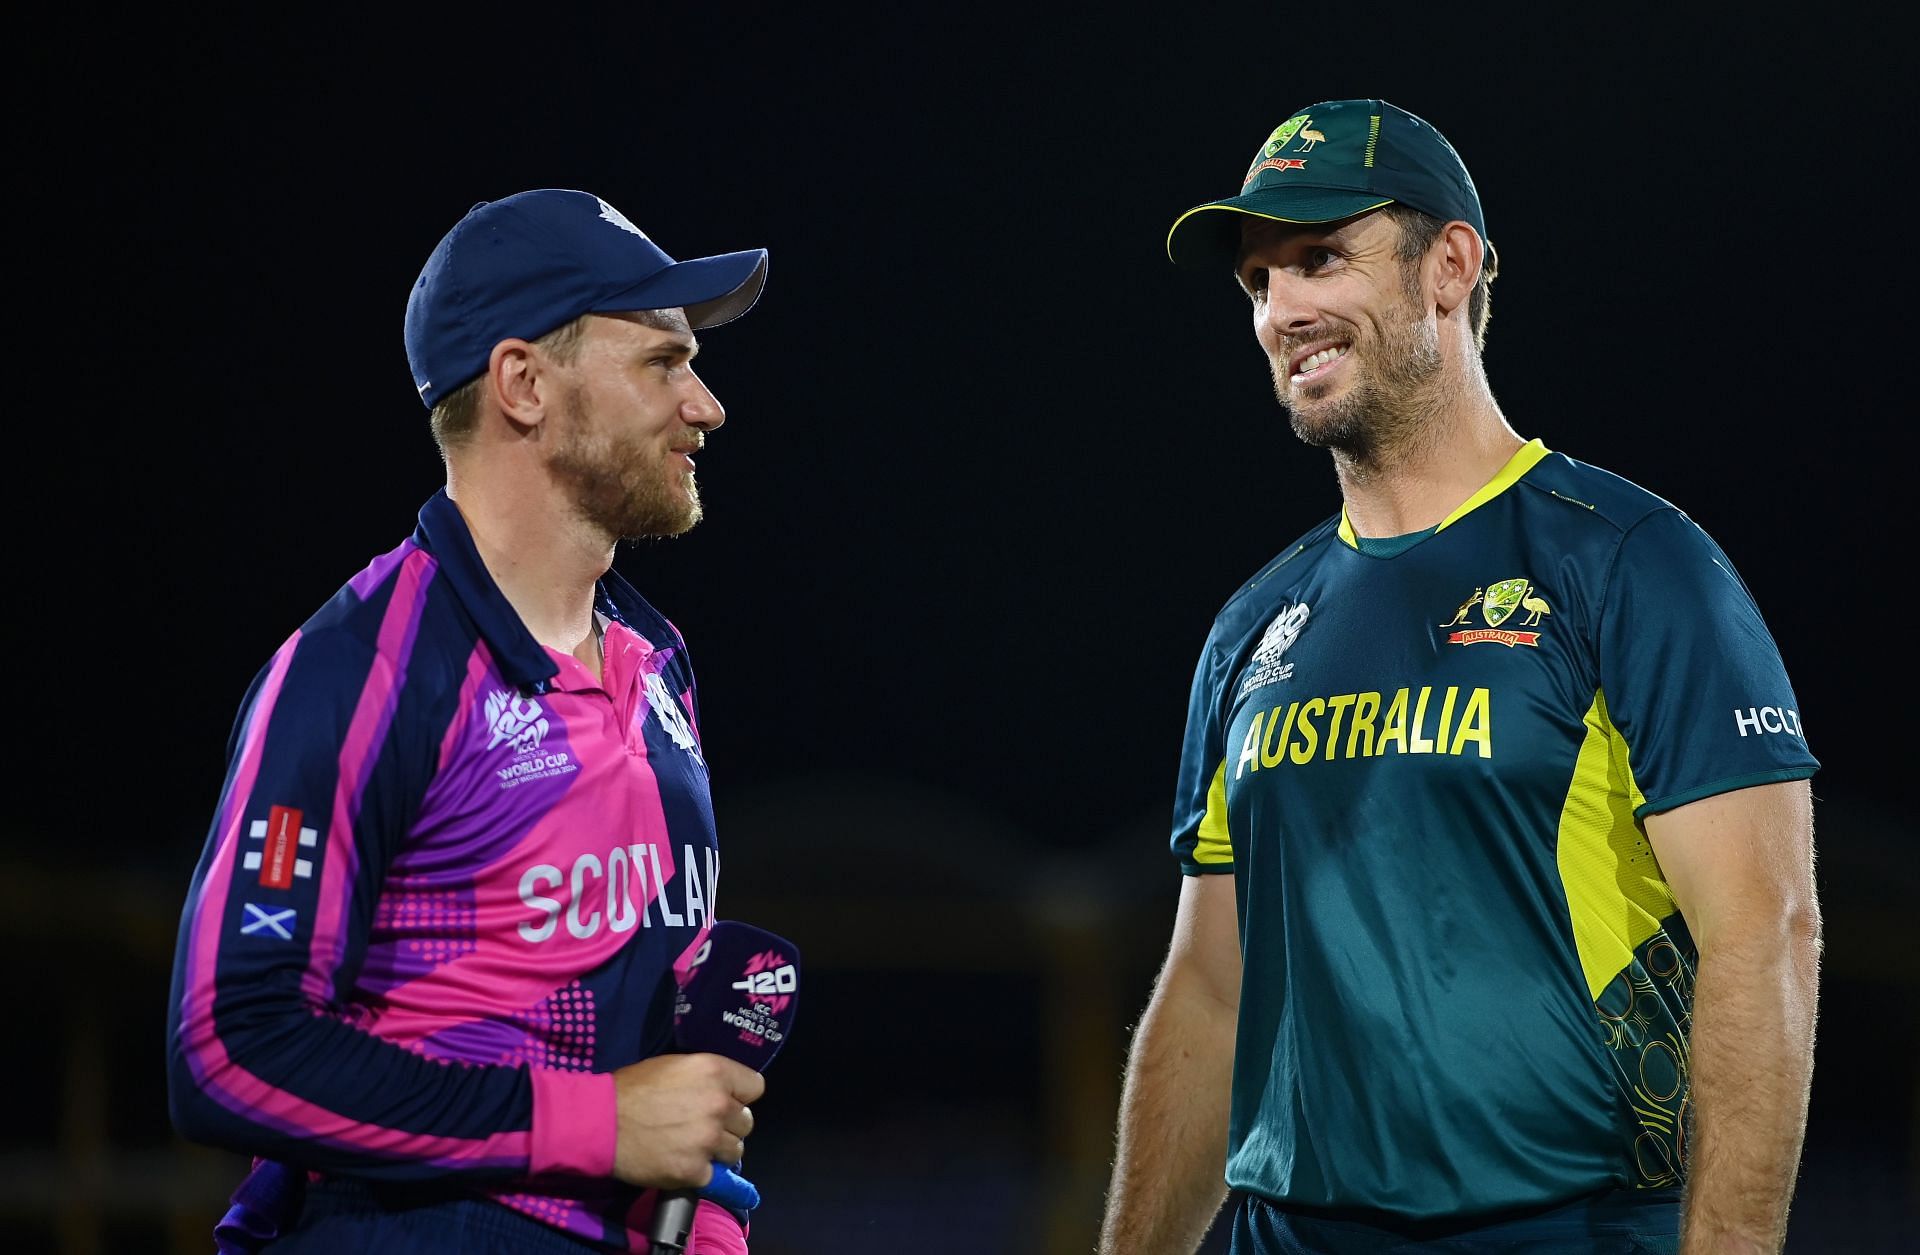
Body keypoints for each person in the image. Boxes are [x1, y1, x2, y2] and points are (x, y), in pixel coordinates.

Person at [1097, 100, 1821, 1254]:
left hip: (1561, 1229)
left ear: (1450, 265)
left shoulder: (1634, 567)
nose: (1284, 310)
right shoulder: (1254, 626)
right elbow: (1210, 992)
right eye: (1258, 281)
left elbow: (1764, 936)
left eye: (1321, 257)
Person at [167, 188, 773, 1254]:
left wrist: (702, 1208)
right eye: (661, 363)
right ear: (524, 385)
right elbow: (231, 1045)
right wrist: (597, 1123)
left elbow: (657, 1041)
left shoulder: (659, 660)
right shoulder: (363, 668)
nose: (706, 406)